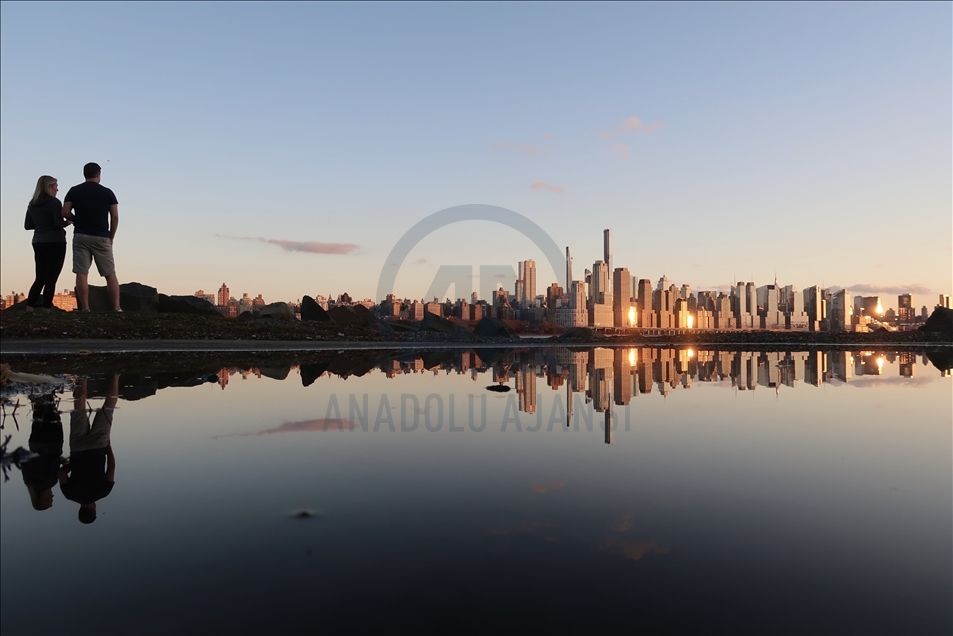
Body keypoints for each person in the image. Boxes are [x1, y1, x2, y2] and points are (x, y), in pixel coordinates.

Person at [62, 162, 120, 311]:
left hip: (81, 235)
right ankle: (116, 308)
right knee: (110, 273)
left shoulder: (74, 191)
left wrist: (77, 220)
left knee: (81, 272)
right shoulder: (108, 192)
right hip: (101, 236)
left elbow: (65, 212)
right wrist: (111, 236)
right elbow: (115, 217)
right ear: (98, 174)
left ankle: (86, 308)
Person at [60, 376, 117, 524]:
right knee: (79, 410)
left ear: (93, 510)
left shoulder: (103, 492)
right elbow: (61, 473)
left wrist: (109, 448)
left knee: (108, 409)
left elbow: (111, 467)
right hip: (78, 449)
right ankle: (83, 376)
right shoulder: (69, 494)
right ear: (80, 510)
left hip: (98, 448)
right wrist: (74, 463)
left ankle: (116, 376)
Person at [23, 175, 69, 312]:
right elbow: (58, 223)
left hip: (38, 241)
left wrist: (41, 223)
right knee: (51, 278)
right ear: (49, 187)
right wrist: (69, 222)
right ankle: (47, 309)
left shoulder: (32, 204)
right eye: (55, 186)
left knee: (40, 277)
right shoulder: (54, 203)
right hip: (55, 242)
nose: (57, 189)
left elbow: (27, 225)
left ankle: (29, 307)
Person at [20, 393, 65, 511]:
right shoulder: (28, 480)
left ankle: (48, 389)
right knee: (38, 412)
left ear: (43, 498)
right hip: (35, 443)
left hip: (53, 444)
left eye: (50, 499)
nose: (52, 496)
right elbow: (24, 461)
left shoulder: (50, 481)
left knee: (52, 411)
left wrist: (65, 462)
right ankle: (38, 388)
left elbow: (54, 461)